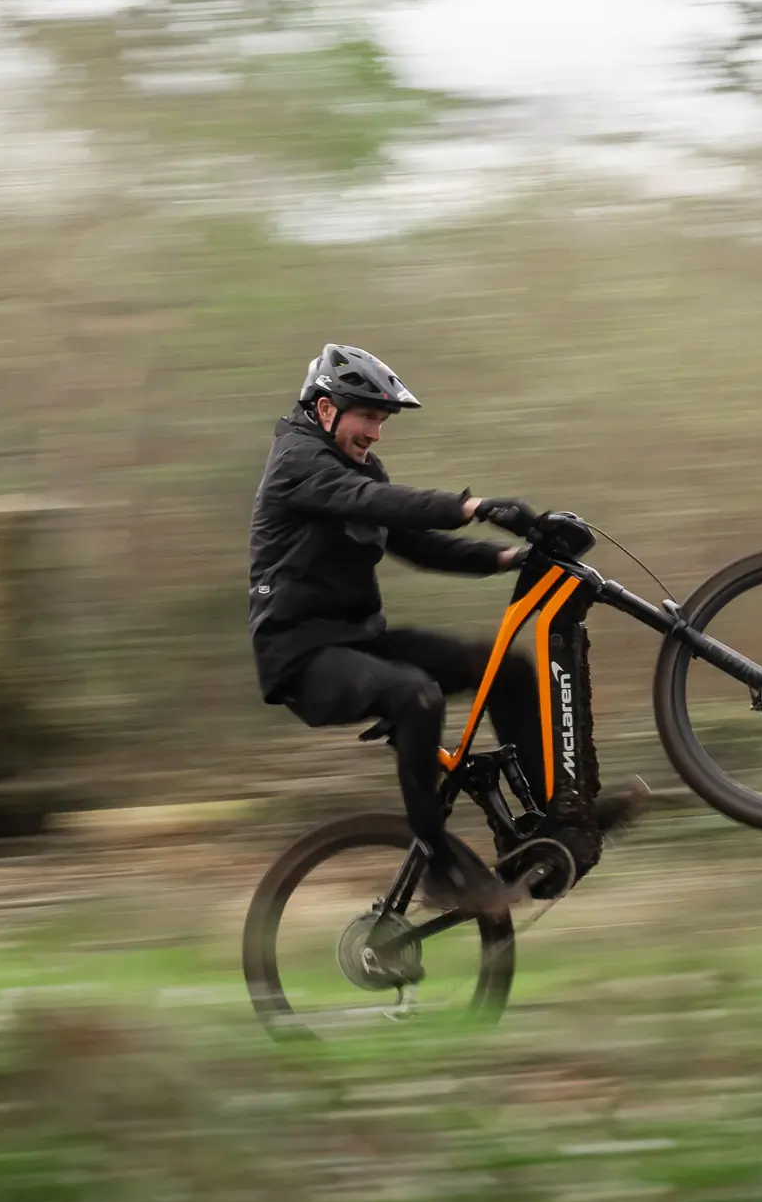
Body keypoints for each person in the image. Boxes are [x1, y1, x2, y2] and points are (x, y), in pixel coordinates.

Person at [247, 343, 634, 911]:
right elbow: (376, 500)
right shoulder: (295, 464)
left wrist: (508, 560)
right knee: (417, 697)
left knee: (505, 667)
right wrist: (474, 506)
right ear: (326, 410)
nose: (376, 434)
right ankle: (440, 870)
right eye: (369, 418)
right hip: (302, 658)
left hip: (361, 641)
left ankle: (559, 816)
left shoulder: (355, 467)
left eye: (381, 422)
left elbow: (418, 544)